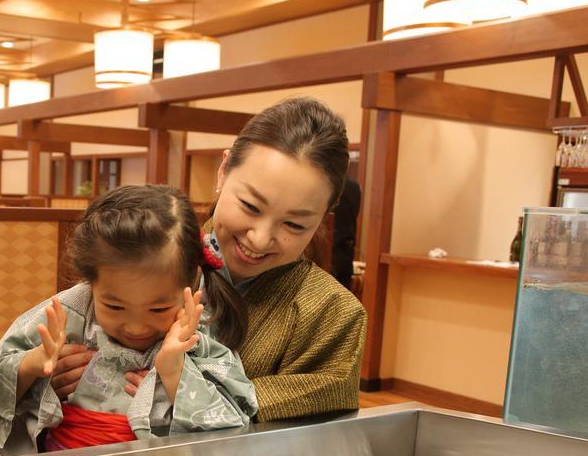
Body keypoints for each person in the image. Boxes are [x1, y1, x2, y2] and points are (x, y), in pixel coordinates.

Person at [52, 98, 366, 422]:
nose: (259, 237)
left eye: (294, 225)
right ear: (223, 171)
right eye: (251, 206)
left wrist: (179, 393)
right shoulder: (162, 253)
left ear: (325, 215)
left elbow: (318, 411)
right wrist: (56, 374)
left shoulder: (333, 312)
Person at [0, 185, 258, 455]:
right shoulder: (67, 314)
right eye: (114, 306)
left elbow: (235, 429)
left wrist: (175, 373)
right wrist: (32, 365)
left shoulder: (196, 330)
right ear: (90, 282)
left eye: (158, 309)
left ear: (188, 283)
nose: (136, 327)